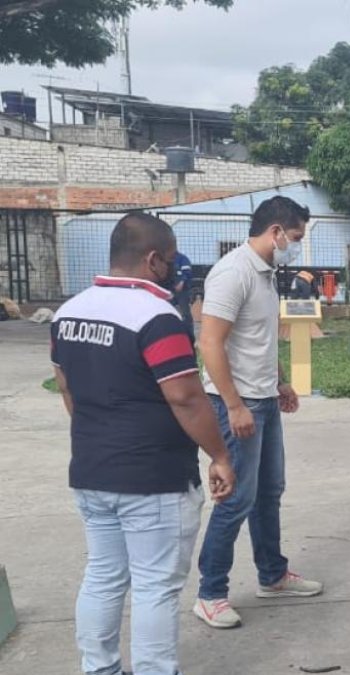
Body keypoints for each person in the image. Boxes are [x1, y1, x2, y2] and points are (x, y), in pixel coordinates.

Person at [50, 212, 236, 675]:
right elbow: (186, 397)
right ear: (154, 260)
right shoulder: (157, 318)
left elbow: (67, 387)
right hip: (153, 479)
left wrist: (102, 437)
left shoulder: (68, 312)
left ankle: (100, 668)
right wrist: (220, 454)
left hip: (92, 471)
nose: (175, 270)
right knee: (155, 586)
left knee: (103, 576)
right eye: (172, 261)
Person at [194, 196, 323, 629]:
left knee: (269, 492)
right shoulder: (233, 273)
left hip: (263, 399)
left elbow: (259, 340)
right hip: (237, 404)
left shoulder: (266, 274)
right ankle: (211, 592)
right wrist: (233, 405)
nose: (297, 246)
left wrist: (281, 381)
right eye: (296, 237)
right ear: (276, 232)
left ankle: (272, 575)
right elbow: (210, 343)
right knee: (236, 499)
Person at [173, 249, 195, 343]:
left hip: (183, 292)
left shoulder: (182, 258)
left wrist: (181, 282)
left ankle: (190, 337)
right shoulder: (164, 259)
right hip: (170, 291)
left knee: (186, 315)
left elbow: (187, 273)